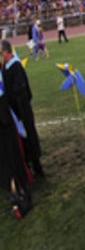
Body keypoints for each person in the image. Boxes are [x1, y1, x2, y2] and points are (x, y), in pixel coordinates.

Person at [1, 39, 42, 179]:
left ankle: (37, 167)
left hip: (22, 110)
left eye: (1, 52)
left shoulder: (16, 66)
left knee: (29, 136)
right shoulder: (5, 67)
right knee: (22, 140)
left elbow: (22, 90)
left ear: (6, 52)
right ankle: (28, 165)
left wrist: (12, 98)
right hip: (14, 111)